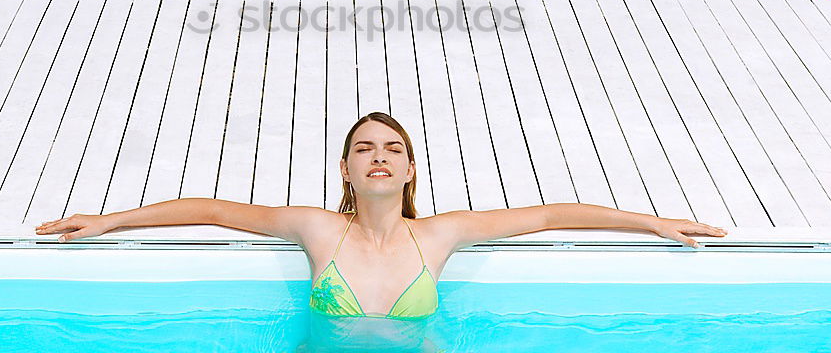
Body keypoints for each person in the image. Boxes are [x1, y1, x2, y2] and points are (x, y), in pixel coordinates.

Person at [35, 111, 727, 320]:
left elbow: (548, 214)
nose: (378, 157)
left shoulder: (439, 235)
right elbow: (212, 207)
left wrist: (654, 223)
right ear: (344, 169)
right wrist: (110, 220)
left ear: (410, 169)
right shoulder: (317, 229)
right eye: (363, 148)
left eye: (393, 149)